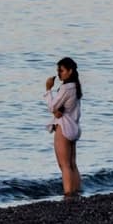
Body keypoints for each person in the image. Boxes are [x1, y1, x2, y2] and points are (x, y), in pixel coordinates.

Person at [43, 57, 83, 197]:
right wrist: (56, 110)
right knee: (72, 164)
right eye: (58, 71)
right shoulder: (75, 87)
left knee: (64, 165)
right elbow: (63, 107)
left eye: (61, 70)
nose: (59, 74)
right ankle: (76, 191)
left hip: (64, 128)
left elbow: (52, 106)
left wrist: (48, 89)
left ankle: (68, 194)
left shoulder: (66, 88)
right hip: (73, 126)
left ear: (70, 71)